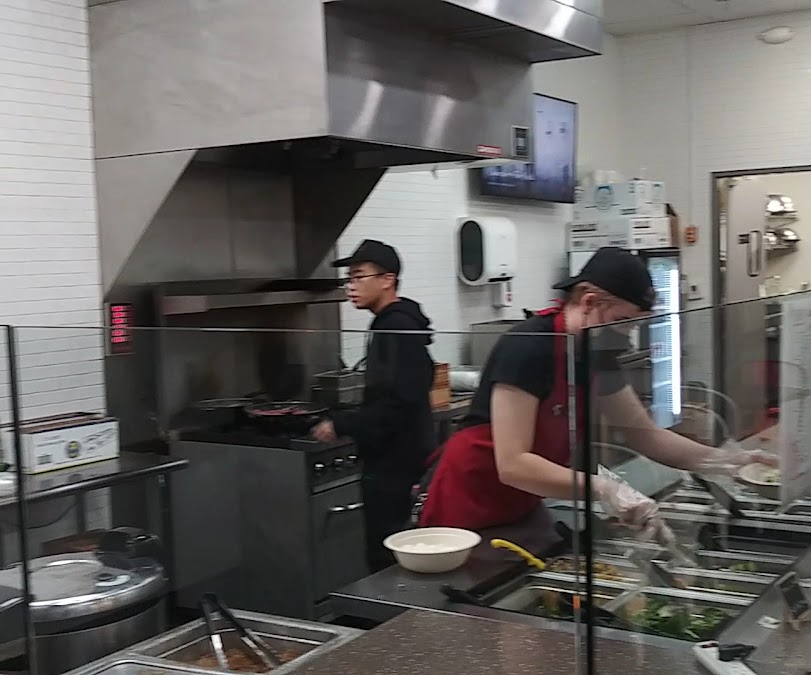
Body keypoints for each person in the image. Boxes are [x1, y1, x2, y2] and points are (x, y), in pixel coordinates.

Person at [418, 247, 774, 534]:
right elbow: (513, 464)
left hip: (521, 504)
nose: (626, 336)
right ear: (589, 302)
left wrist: (726, 460)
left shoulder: (597, 354)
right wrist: (605, 488)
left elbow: (646, 435)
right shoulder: (528, 346)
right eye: (622, 322)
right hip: (468, 500)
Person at [314, 239, 435, 571]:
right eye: (349, 279)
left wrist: (342, 424)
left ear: (387, 280)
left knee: (390, 557)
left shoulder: (396, 326)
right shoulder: (390, 322)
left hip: (397, 467)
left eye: (359, 276)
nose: (351, 286)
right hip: (395, 461)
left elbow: (401, 400)